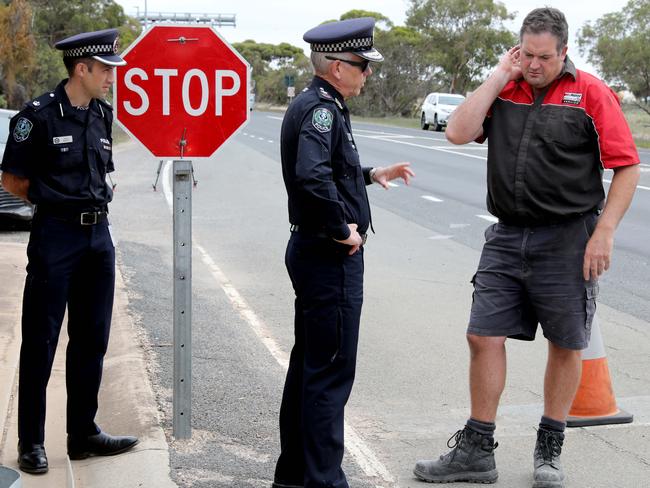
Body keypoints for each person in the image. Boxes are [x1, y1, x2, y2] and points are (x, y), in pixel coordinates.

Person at [413, 7, 639, 488]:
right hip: (507, 234)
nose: (534, 65)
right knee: (482, 335)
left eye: (544, 57)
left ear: (563, 52)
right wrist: (499, 75)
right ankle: (476, 451)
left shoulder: (591, 94)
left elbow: (626, 166)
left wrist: (604, 233)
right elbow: (456, 132)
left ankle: (549, 449)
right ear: (518, 49)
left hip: (569, 238)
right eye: (526, 55)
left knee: (566, 342)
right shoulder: (505, 88)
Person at [273, 17, 414, 488]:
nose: (367, 74)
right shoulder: (322, 110)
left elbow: (331, 169)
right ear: (336, 67)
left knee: (310, 366)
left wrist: (371, 174)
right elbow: (312, 177)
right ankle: (324, 481)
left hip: (314, 252)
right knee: (330, 375)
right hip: (328, 256)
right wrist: (342, 232)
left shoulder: (322, 104)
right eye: (361, 65)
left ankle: (294, 476)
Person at [1, 28, 138, 474]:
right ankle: (31, 442)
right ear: (82, 68)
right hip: (56, 238)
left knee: (91, 339)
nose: (111, 77)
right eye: (105, 70)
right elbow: (12, 180)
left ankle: (82, 434)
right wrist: (55, 205)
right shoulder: (36, 117)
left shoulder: (102, 114)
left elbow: (103, 173)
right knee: (40, 342)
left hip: (99, 240)